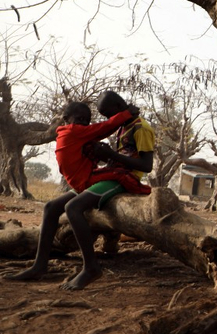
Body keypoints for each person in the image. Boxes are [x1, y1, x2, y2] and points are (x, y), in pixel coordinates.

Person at [4, 91, 155, 290]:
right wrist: (105, 156)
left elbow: (146, 165)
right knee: (51, 207)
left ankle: (91, 267)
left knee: (73, 208)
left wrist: (110, 155)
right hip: (103, 174)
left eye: (110, 115)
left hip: (121, 179)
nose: (109, 120)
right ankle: (39, 266)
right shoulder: (121, 127)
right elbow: (108, 139)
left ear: (120, 108)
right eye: (106, 117)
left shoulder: (139, 127)